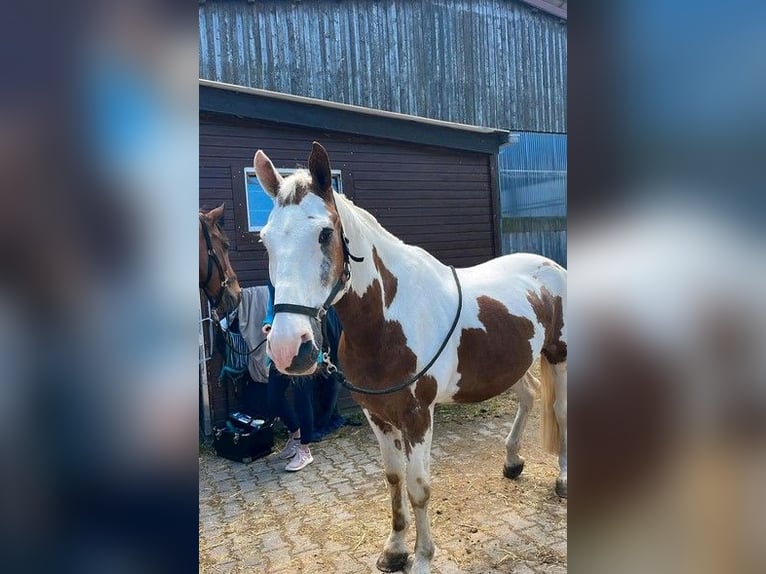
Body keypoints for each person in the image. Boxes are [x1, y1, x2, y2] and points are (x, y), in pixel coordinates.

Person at [263, 280, 315, 472]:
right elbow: (272, 306)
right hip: (280, 344)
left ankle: (305, 450)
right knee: (273, 398)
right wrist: (268, 323)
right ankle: (295, 434)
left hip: (304, 343)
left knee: (302, 398)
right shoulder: (274, 278)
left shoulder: (303, 274)